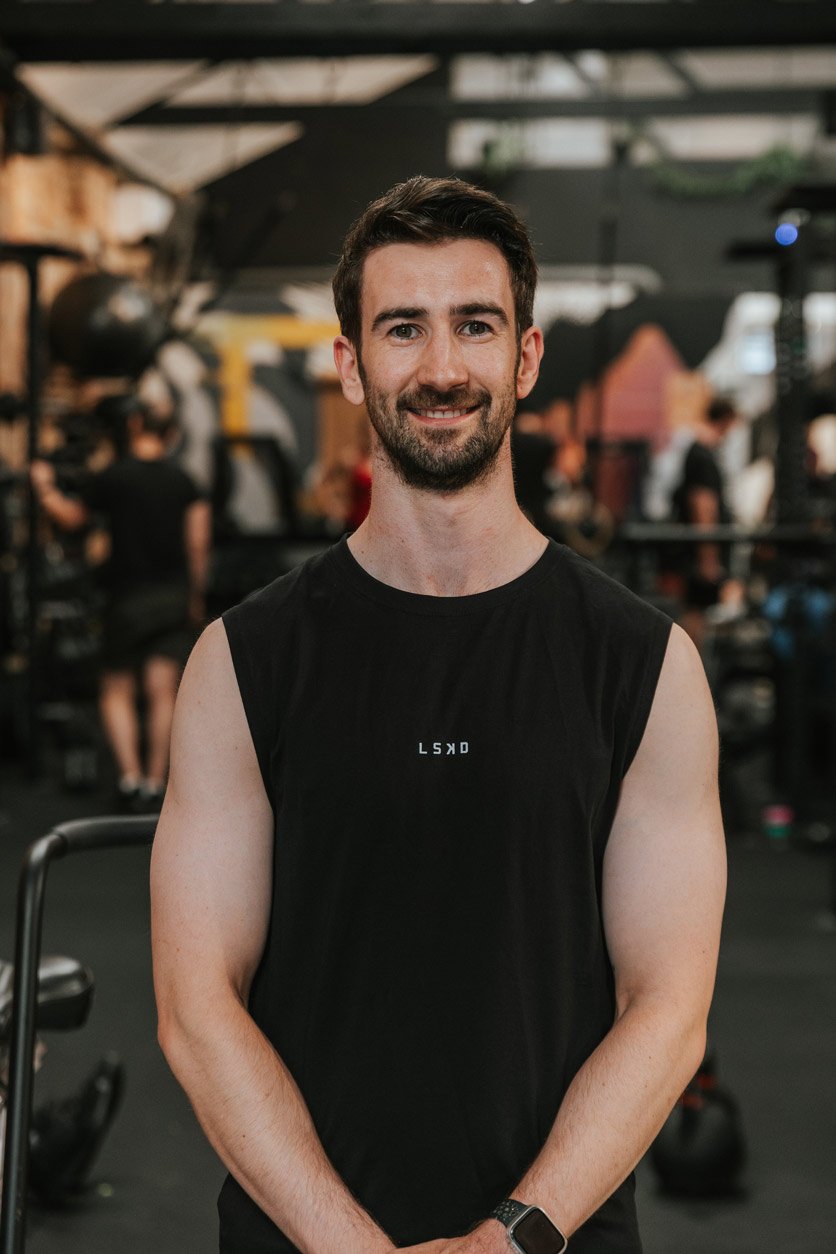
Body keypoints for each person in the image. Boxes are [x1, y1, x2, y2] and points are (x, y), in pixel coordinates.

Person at [151, 177, 726, 1254]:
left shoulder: (642, 664)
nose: (441, 368)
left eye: (475, 324)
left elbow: (665, 1008)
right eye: (401, 328)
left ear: (525, 358)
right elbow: (197, 1007)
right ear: (349, 364)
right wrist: (348, 1246)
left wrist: (508, 1237)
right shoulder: (242, 661)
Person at [31, 399, 210, 809]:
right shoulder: (185, 481)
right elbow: (198, 543)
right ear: (172, 434)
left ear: (133, 425)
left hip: (126, 597)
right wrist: (195, 596)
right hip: (171, 595)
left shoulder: (114, 476)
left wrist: (43, 487)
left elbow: (73, 519)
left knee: (116, 689)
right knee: (163, 689)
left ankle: (129, 779)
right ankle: (154, 783)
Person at [670, 397, 740, 641]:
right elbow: (703, 505)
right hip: (701, 550)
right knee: (696, 613)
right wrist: (708, 555)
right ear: (725, 420)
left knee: (697, 610)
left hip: (700, 547)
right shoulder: (702, 455)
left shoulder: (700, 452)